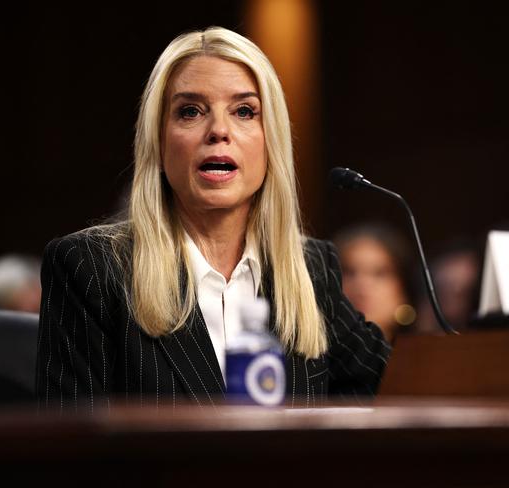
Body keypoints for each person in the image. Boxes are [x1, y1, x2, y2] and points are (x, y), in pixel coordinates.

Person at [36, 26, 390, 410]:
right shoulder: (91, 270)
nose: (219, 131)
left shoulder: (311, 269)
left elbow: (401, 389)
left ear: (271, 139)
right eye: (190, 111)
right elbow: (73, 453)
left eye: (244, 111)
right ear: (158, 139)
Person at [334, 223, 416, 343]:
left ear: (403, 288)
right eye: (349, 272)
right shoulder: (308, 359)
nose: (362, 286)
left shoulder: (429, 356)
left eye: (380, 273)